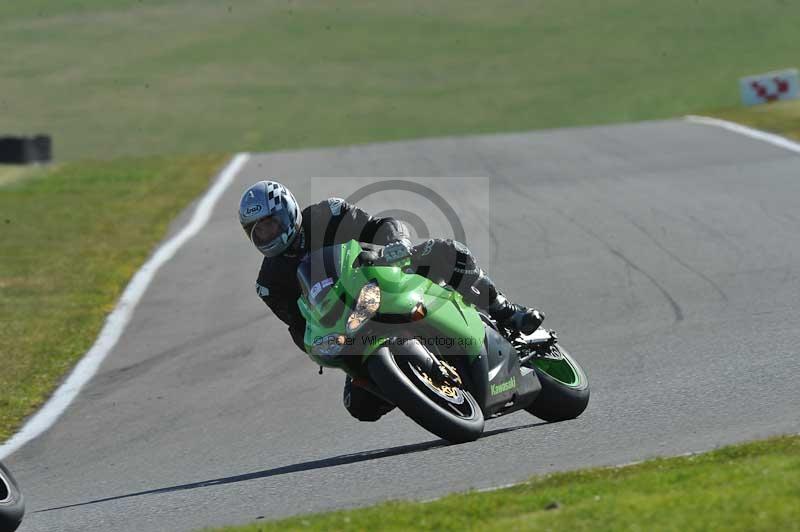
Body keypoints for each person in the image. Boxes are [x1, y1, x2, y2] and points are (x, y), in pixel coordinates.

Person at [239, 180, 545, 421]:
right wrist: (315, 346)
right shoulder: (269, 284)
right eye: (257, 231)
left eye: (270, 224)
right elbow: (298, 326)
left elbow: (379, 225)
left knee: (449, 252)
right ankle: (413, 386)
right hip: (350, 326)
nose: (266, 235)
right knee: (360, 407)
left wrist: (397, 244)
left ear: (287, 212)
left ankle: (506, 313)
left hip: (383, 278)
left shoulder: (326, 214)